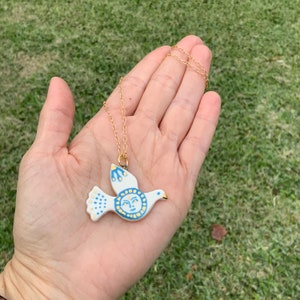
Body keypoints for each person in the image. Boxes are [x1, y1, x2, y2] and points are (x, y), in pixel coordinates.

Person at [0, 35, 221, 299]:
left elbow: (142, 193)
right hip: (113, 204)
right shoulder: (132, 192)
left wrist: (30, 285)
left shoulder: (137, 194)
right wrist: (33, 279)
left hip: (116, 203)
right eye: (159, 195)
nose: (159, 195)